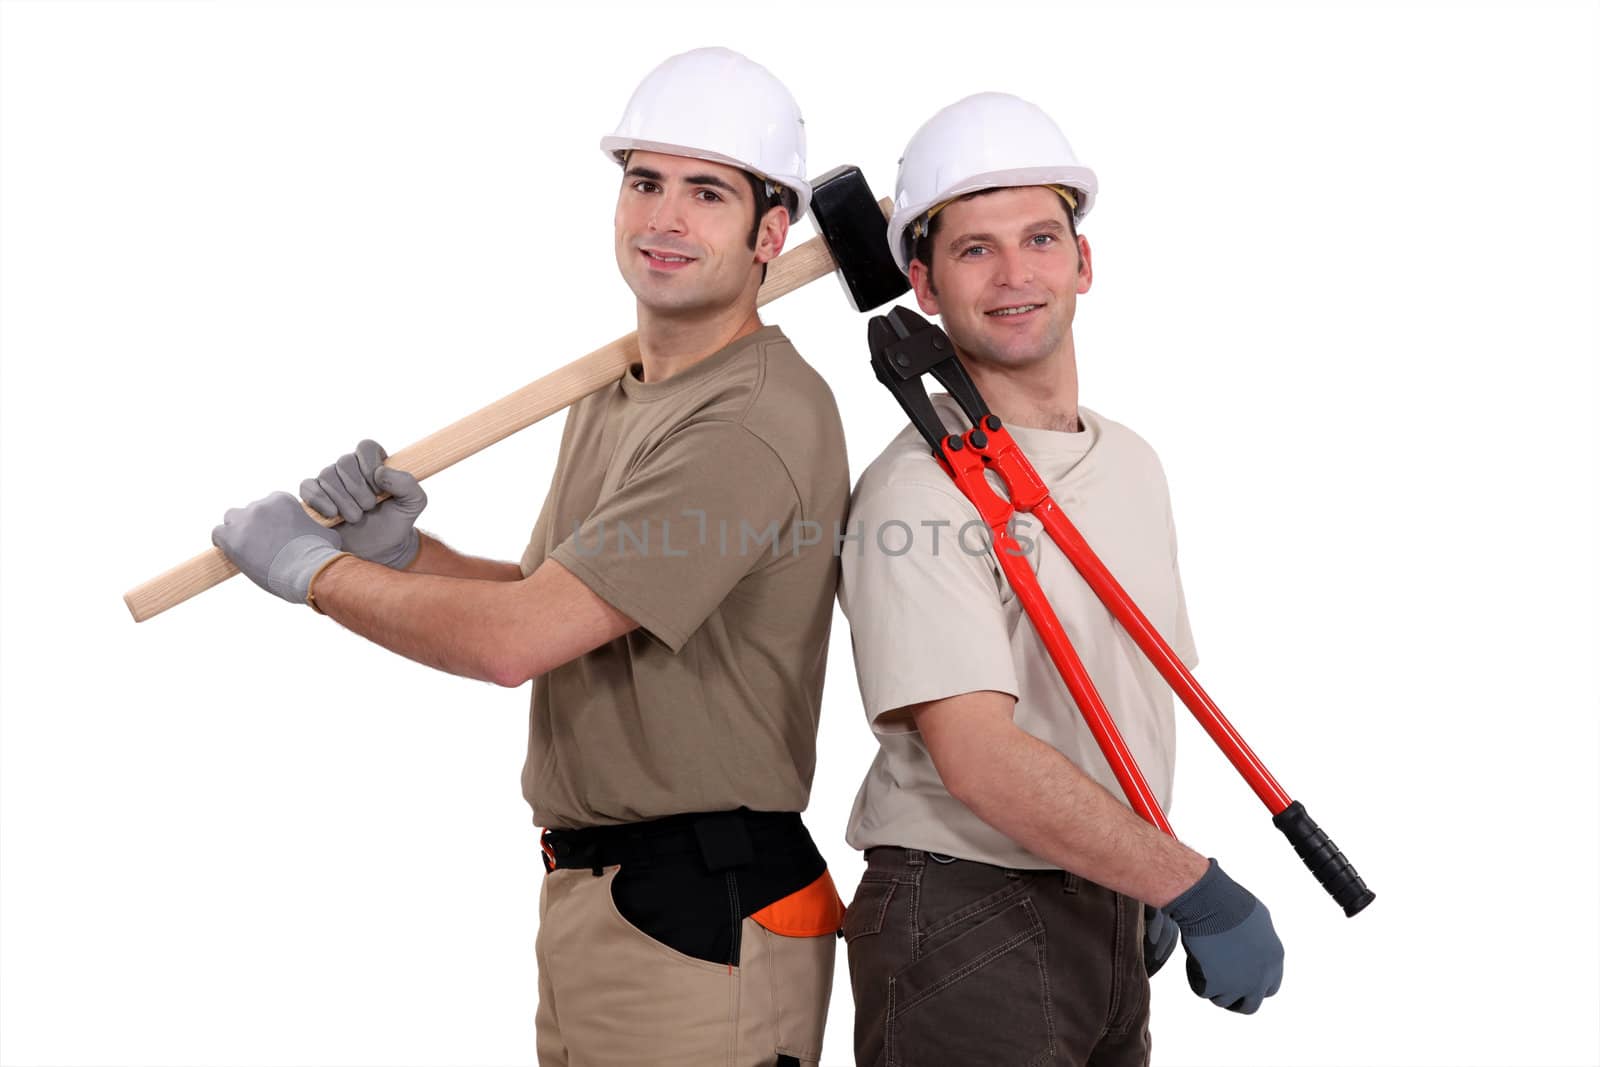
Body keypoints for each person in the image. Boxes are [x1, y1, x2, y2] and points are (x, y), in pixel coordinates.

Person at [212, 47, 849, 1067]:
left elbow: (515, 643)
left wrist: (313, 572)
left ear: (771, 231)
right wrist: (407, 552)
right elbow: (550, 603)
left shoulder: (751, 416)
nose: (664, 219)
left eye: (707, 192)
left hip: (702, 910)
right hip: (609, 901)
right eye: (644, 182)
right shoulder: (614, 390)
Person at [837, 92, 1285, 1066]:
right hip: (966, 917)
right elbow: (980, 755)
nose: (1013, 275)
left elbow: (1119, 705)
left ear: (1083, 261)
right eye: (972, 249)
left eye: (1039, 238)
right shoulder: (913, 492)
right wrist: (1188, 881)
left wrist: (1137, 875)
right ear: (920, 282)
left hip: (1108, 901)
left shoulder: (1131, 461)